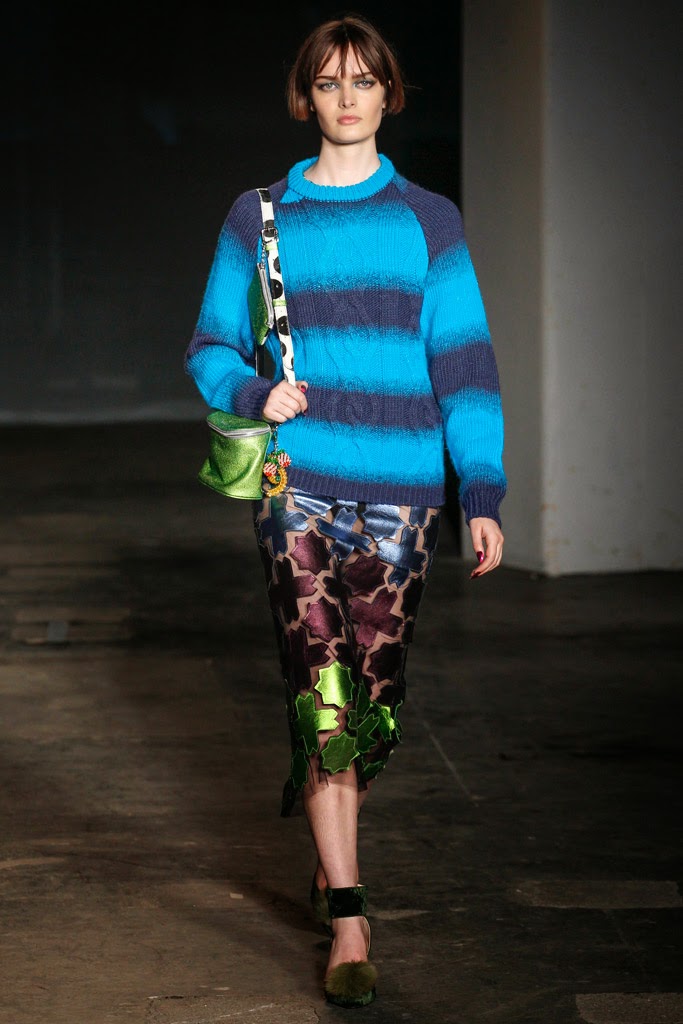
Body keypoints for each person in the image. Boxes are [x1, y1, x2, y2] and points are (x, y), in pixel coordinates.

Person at [184, 13, 506, 1009]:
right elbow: (208, 344)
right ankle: (351, 917)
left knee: (370, 703)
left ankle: (330, 856)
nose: (347, 97)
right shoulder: (260, 216)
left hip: (404, 493)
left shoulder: (429, 220)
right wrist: (255, 393)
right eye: (328, 82)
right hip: (299, 485)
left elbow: (463, 363)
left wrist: (481, 488)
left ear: (387, 93)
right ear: (305, 98)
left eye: (363, 80)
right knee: (322, 691)